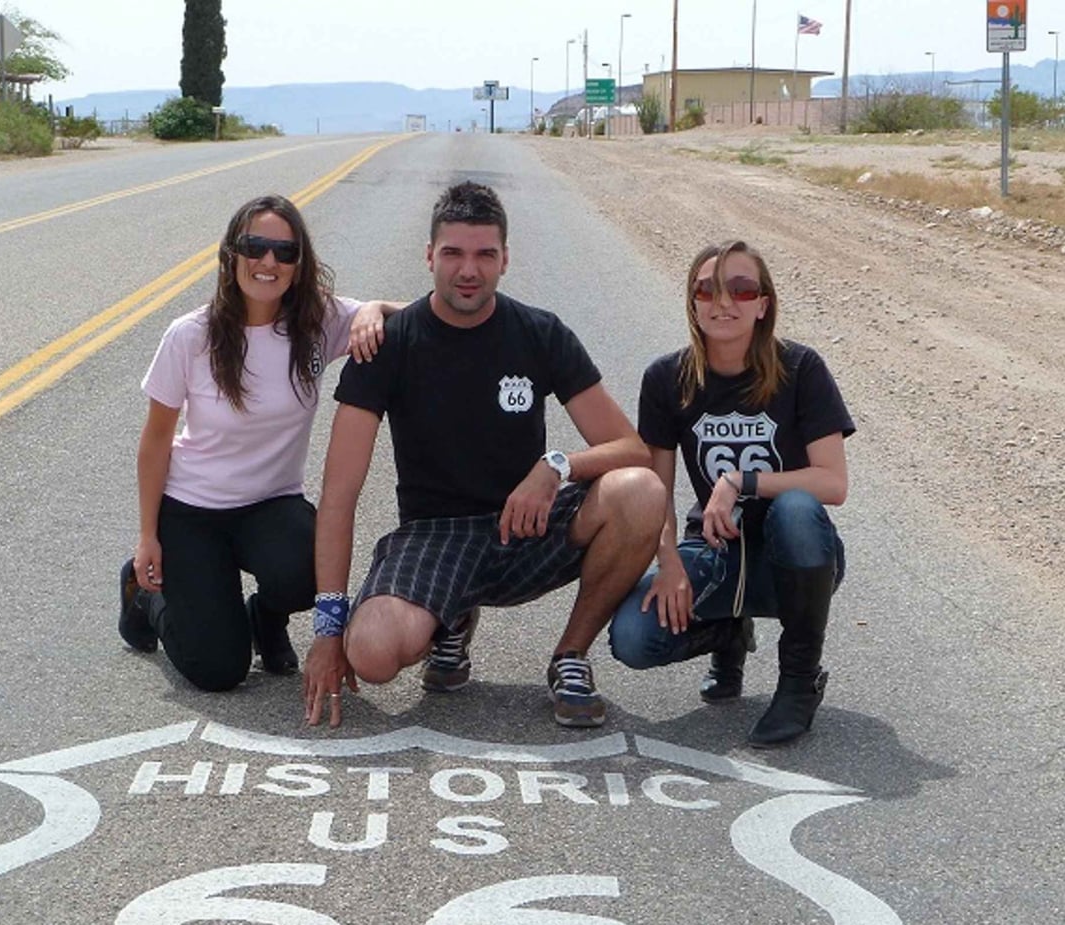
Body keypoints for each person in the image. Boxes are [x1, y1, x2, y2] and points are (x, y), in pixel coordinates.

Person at [301, 181, 664, 729]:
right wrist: (329, 630)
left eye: (484, 255)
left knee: (641, 490)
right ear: (429, 257)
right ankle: (448, 623)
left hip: (525, 527)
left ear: (504, 260)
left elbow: (632, 448)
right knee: (372, 653)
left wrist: (555, 466)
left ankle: (571, 656)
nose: (467, 270)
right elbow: (338, 495)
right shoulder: (388, 346)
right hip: (434, 536)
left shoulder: (540, 334)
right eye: (453, 253)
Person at [116, 194, 404, 691]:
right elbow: (156, 441)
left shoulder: (317, 323)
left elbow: (420, 315)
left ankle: (265, 617)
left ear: (299, 263)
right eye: (255, 246)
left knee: (312, 571)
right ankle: (147, 598)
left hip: (271, 504)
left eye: (284, 252)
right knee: (218, 672)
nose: (268, 261)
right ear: (231, 254)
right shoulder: (190, 336)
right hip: (192, 511)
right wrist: (148, 537)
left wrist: (374, 308)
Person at [607, 240, 854, 747]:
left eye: (741, 289)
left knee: (797, 508)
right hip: (717, 550)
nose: (724, 302)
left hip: (798, 557)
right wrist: (669, 561)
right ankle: (727, 633)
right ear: (692, 303)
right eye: (708, 289)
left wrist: (739, 480)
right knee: (633, 639)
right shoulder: (666, 378)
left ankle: (799, 681)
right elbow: (658, 485)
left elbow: (833, 482)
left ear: (763, 304)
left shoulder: (801, 369)